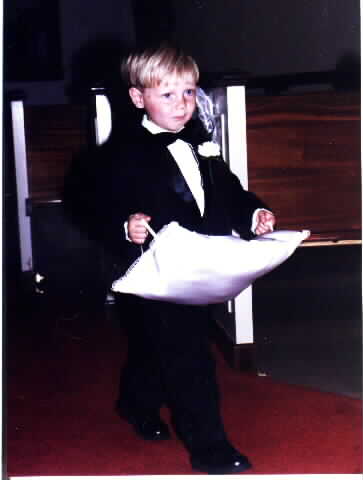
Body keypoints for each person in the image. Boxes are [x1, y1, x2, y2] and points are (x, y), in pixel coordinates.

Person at [64, 44, 276, 474]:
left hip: (202, 270)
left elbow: (229, 191)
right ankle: (210, 448)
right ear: (138, 98)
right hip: (155, 272)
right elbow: (87, 202)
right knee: (188, 357)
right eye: (168, 95)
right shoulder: (121, 153)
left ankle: (135, 403)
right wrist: (125, 226)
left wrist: (252, 211)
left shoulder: (200, 139)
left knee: (157, 350)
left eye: (190, 92)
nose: (183, 104)